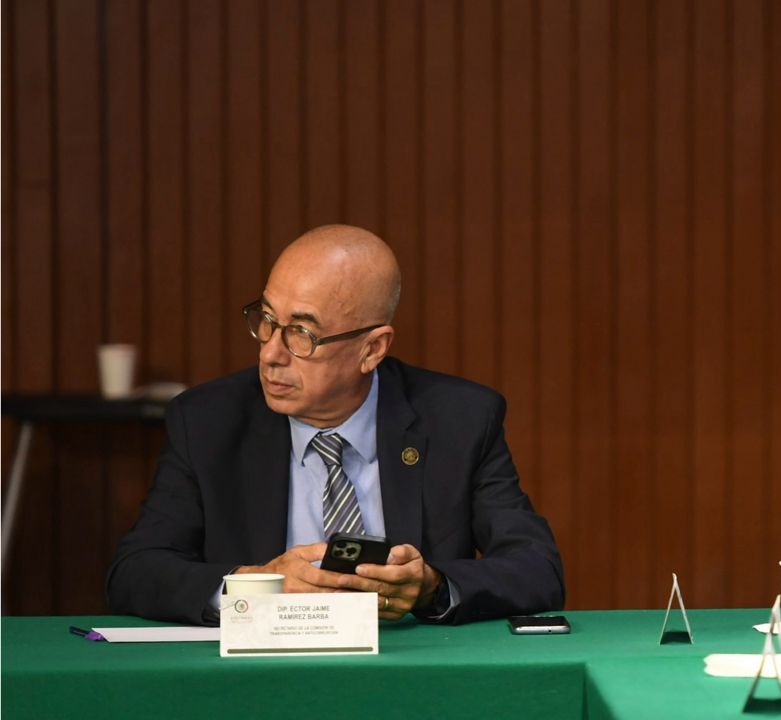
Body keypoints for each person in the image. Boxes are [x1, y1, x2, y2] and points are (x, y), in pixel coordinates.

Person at [107, 225, 563, 625]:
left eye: (302, 333)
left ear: (372, 349)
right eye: (267, 320)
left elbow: (536, 568)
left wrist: (431, 586)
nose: (270, 353)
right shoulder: (208, 421)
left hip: (411, 670)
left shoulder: (459, 419)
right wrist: (258, 585)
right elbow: (135, 571)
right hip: (258, 673)